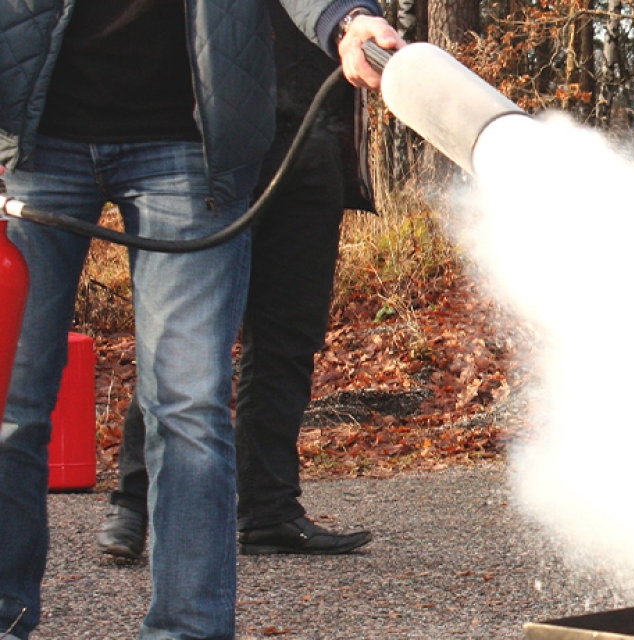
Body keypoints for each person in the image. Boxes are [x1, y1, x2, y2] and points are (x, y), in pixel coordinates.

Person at [0, 0, 401, 637]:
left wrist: (348, 20)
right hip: (30, 140)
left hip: (191, 147)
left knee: (187, 406)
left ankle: (188, 630)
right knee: (10, 407)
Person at [92, 0, 379, 561]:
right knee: (185, 333)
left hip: (312, 142)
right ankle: (132, 503)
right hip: (212, 149)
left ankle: (270, 511)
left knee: (288, 339)